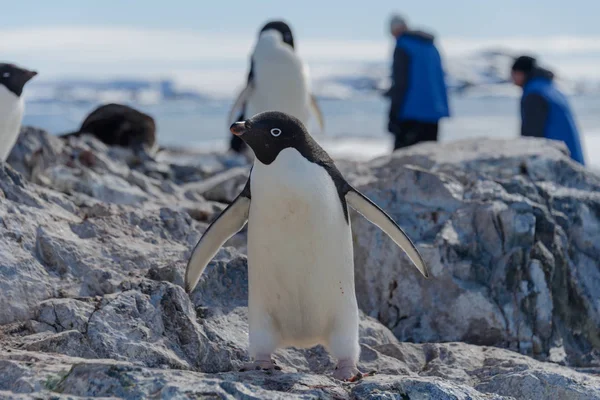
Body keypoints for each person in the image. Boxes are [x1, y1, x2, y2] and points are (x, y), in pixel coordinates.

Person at [386, 14, 450, 151]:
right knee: (429, 156)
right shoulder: (431, 46)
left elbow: (401, 82)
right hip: (433, 112)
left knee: (402, 158)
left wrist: (393, 113)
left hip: (410, 113)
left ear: (395, 30)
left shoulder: (403, 46)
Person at [511, 56, 585, 165]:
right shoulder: (550, 88)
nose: (512, 78)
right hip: (572, 158)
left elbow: (532, 135)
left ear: (520, 73)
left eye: (513, 73)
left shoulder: (534, 93)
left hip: (557, 161)